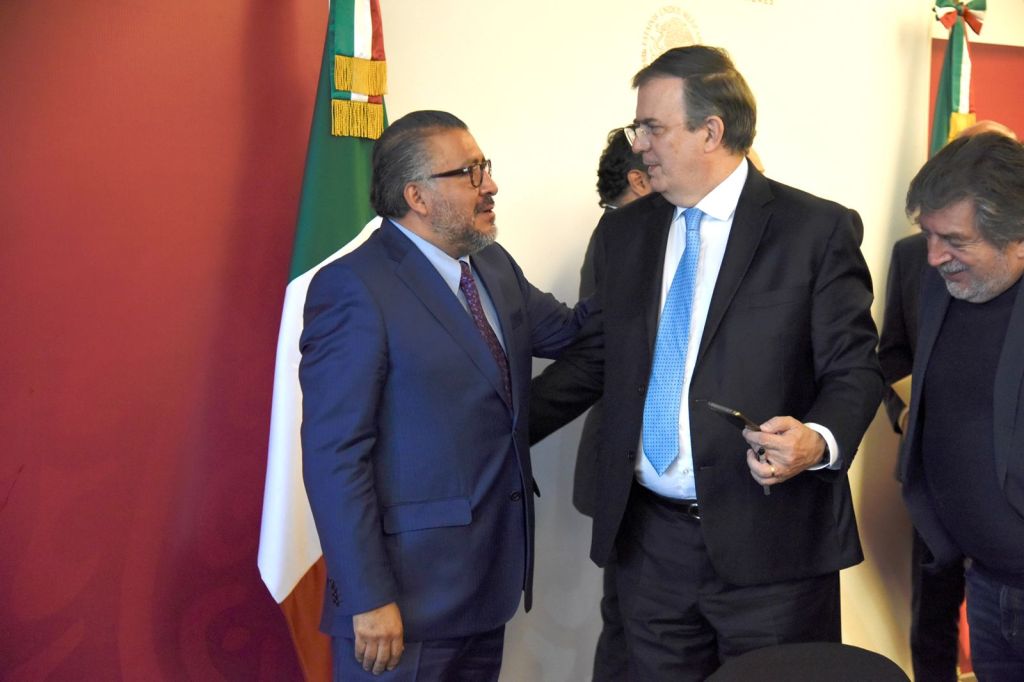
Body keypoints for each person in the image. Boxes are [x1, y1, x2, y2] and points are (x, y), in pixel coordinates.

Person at [529, 45, 883, 680]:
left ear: (711, 131)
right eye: (638, 127)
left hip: (771, 545)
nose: (638, 144)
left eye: (652, 127)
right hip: (650, 545)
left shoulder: (815, 229)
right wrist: (496, 430)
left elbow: (854, 369)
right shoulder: (625, 234)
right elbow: (597, 360)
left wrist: (817, 440)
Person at [299, 110, 589, 680]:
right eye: (470, 172)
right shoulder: (353, 287)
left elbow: (576, 332)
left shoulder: (492, 265)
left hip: (487, 590)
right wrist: (367, 596)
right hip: (401, 606)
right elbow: (335, 456)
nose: (491, 184)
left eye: (486, 166)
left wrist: (650, 242)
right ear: (418, 196)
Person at [879, 120, 1018, 682]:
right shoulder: (938, 279)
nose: (934, 258)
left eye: (955, 241)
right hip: (982, 577)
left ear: (1016, 235)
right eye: (928, 235)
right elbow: (901, 361)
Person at [574, 128, 651, 682]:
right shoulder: (623, 236)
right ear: (640, 179)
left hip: (633, 470)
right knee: (629, 628)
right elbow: (601, 359)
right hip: (630, 470)